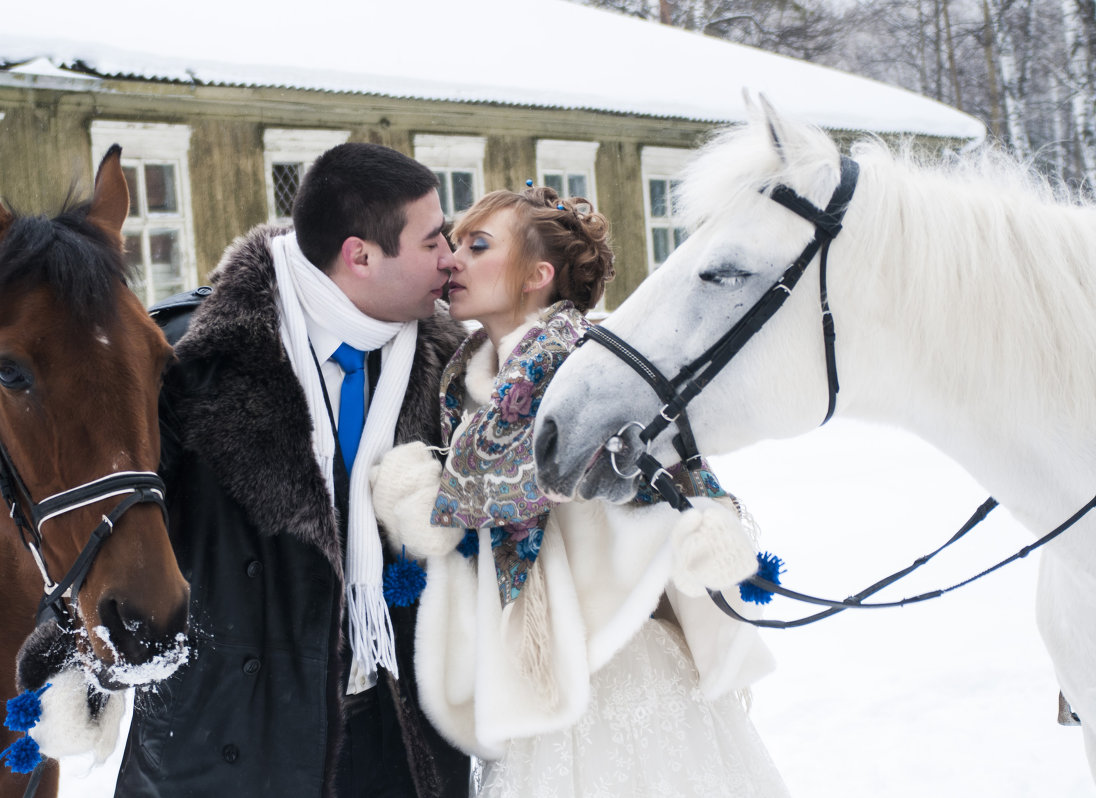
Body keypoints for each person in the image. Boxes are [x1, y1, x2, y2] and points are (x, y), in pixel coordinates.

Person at [371, 186, 790, 796]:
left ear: (538, 275)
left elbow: (675, 469)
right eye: (454, 241)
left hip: (616, 657)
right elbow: (474, 504)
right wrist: (426, 502)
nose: (453, 258)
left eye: (478, 245)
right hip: (533, 664)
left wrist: (707, 527)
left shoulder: (590, 365)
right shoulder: (461, 375)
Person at [114, 143, 472, 798]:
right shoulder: (190, 361)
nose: (451, 258)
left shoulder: (455, 368)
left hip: (395, 742)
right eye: (433, 241)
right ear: (360, 255)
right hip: (232, 746)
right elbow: (103, 530)